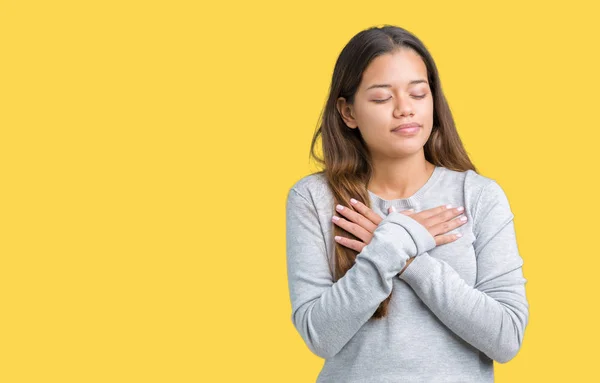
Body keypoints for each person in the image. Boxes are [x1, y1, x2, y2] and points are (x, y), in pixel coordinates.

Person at [285, 25, 529, 382]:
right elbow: (320, 335)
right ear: (348, 112)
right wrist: (395, 244)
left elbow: (506, 338)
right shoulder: (314, 199)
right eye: (382, 98)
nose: (405, 110)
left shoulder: (478, 196)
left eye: (418, 93)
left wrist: (410, 258)